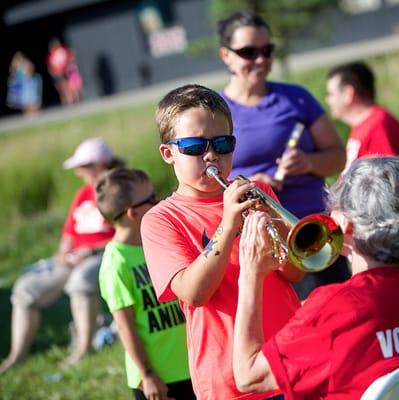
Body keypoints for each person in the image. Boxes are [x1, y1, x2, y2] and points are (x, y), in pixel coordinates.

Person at [233, 156, 399, 399]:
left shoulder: (336, 308)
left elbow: (248, 375)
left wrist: (250, 274)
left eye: (334, 208)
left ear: (347, 225)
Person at [140, 84, 303, 399]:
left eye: (222, 143)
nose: (211, 154)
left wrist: (278, 233)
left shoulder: (257, 193)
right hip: (228, 378)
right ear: (168, 153)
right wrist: (228, 224)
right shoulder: (161, 219)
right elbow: (194, 293)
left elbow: (295, 274)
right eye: (194, 146)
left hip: (287, 360)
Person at [217, 11, 349, 300]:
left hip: (314, 230)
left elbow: (339, 157)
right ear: (226, 55)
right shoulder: (214, 111)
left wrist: (309, 162)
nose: (261, 59)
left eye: (267, 50)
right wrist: (251, 185)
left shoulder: (297, 97)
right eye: (249, 52)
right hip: (259, 240)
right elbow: (205, 180)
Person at [0, 137, 123, 373]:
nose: (79, 172)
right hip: (74, 258)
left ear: (102, 164)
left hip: (103, 254)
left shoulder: (120, 191)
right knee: (26, 288)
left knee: (81, 281)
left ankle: (83, 349)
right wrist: (63, 253)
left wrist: (90, 251)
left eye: (84, 167)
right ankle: (17, 356)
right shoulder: (83, 194)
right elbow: (69, 233)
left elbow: (128, 233)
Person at [95, 167, 194, 400]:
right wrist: (147, 374)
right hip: (159, 377)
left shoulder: (158, 243)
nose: (158, 201)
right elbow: (124, 327)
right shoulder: (116, 262)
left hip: (190, 363)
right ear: (132, 214)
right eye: (151, 199)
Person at [325, 61, 399, 172]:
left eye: (330, 94)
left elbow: (390, 179)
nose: (327, 100)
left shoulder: (378, 126)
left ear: (349, 94)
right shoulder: (363, 125)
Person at [6, 51, 42, 116]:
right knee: (24, 102)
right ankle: (28, 115)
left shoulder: (26, 63)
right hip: (21, 85)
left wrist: (27, 74)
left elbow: (31, 69)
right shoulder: (15, 66)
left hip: (27, 84)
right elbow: (13, 74)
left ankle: (35, 114)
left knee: (32, 101)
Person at [47, 37, 80, 105]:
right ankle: (67, 102)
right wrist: (53, 73)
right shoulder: (51, 55)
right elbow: (50, 66)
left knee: (69, 87)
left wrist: (65, 69)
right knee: (61, 89)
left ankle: (73, 101)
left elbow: (69, 59)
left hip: (64, 72)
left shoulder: (62, 51)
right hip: (57, 74)